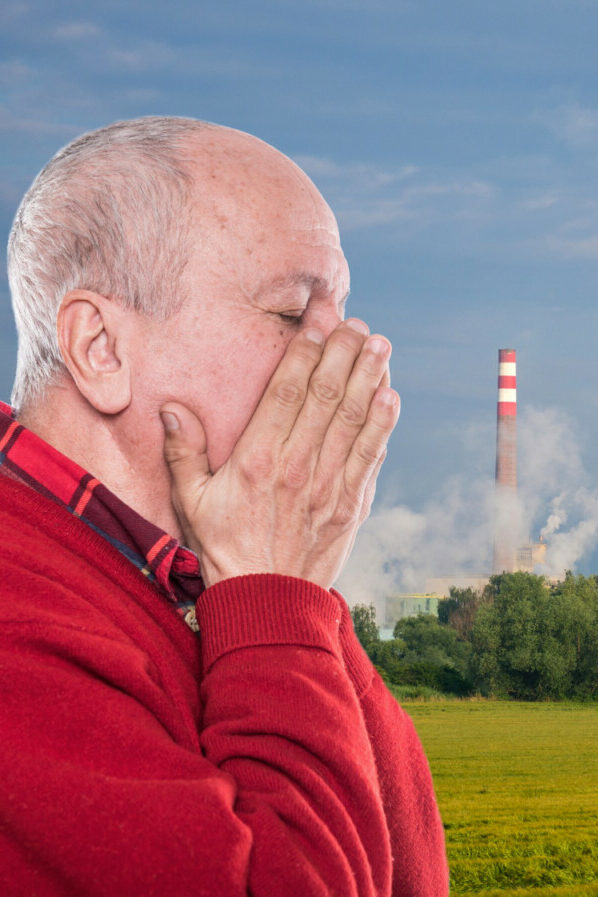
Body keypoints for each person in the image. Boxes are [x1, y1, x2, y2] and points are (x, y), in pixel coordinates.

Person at [0, 117, 449, 896]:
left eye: (338, 312)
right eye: (290, 314)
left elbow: (402, 872)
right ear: (101, 349)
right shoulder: (20, 616)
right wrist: (278, 597)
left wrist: (290, 588)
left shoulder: (211, 579)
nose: (346, 349)